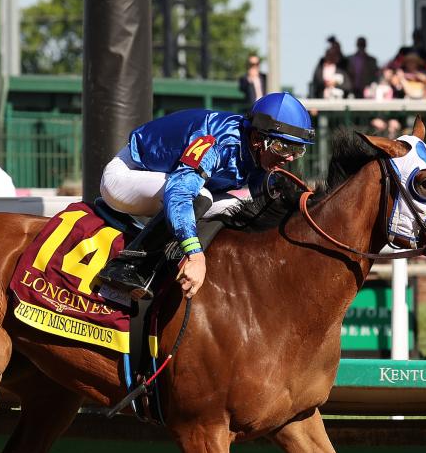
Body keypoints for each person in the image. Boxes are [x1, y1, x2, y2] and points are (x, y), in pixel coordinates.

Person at [95, 92, 314, 301]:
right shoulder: (216, 143)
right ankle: (129, 265)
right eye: (283, 147)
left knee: (246, 204)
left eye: (298, 150)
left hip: (165, 181)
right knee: (201, 196)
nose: (290, 157)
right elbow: (179, 193)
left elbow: (266, 198)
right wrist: (195, 256)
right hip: (126, 175)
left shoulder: (257, 151)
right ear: (258, 138)